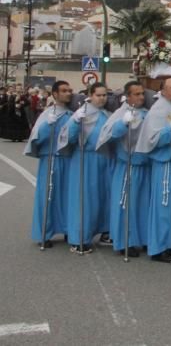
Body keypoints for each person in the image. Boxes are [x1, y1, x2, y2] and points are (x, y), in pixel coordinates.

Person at [137, 77, 171, 262]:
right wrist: (169, 131)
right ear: (163, 91)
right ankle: (159, 247)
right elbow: (152, 139)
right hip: (165, 163)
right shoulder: (159, 110)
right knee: (164, 205)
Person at [96, 81, 149, 256]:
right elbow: (107, 135)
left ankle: (140, 238)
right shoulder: (120, 113)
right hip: (126, 164)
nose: (141, 97)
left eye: (142, 93)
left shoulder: (146, 113)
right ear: (128, 96)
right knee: (125, 204)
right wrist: (122, 125)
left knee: (141, 205)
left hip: (144, 164)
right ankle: (124, 241)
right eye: (137, 94)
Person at [61, 82, 111, 253]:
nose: (102, 98)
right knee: (84, 199)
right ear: (90, 95)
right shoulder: (81, 113)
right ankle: (79, 238)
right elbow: (68, 137)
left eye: (105, 95)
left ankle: (104, 231)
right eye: (99, 95)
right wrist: (75, 122)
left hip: (103, 159)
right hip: (85, 159)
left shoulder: (106, 113)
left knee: (102, 197)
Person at [24, 80, 74, 247]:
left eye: (69, 90)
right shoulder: (48, 114)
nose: (68, 93)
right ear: (55, 94)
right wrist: (47, 125)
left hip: (68, 159)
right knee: (48, 195)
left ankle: (68, 229)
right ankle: (43, 233)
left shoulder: (71, 113)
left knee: (68, 196)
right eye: (64, 90)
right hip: (51, 158)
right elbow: (37, 137)